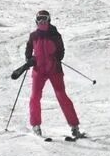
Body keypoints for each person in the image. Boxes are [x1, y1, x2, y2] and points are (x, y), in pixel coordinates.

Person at [11, 9, 81, 140]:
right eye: (40, 19)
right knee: (35, 97)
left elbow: (61, 51)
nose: (42, 21)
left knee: (62, 96)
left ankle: (74, 126)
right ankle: (36, 125)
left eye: (45, 18)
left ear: (49, 20)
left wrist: (56, 58)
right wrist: (29, 60)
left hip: (54, 70)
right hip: (39, 71)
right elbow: (28, 50)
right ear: (36, 21)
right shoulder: (33, 36)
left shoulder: (55, 34)